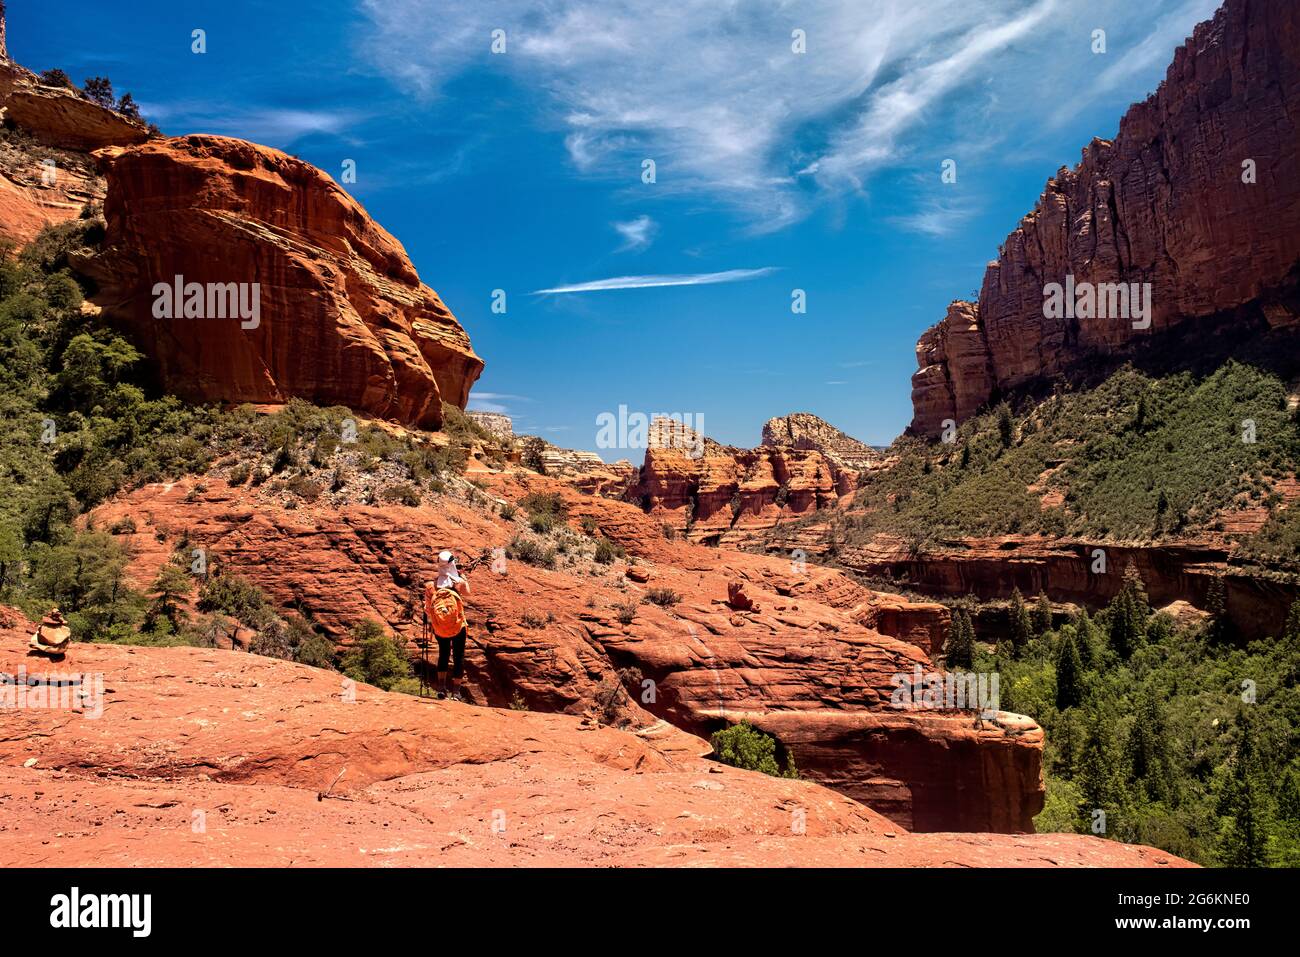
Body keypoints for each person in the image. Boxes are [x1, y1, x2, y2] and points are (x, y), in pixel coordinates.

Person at [424, 550, 470, 700]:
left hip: (440, 629)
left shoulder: (431, 586)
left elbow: (427, 610)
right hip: (458, 626)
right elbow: (468, 593)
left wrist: (439, 620)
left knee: (443, 655)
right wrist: (463, 578)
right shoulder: (458, 583)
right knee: (459, 656)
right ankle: (456, 692)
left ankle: (441, 688)